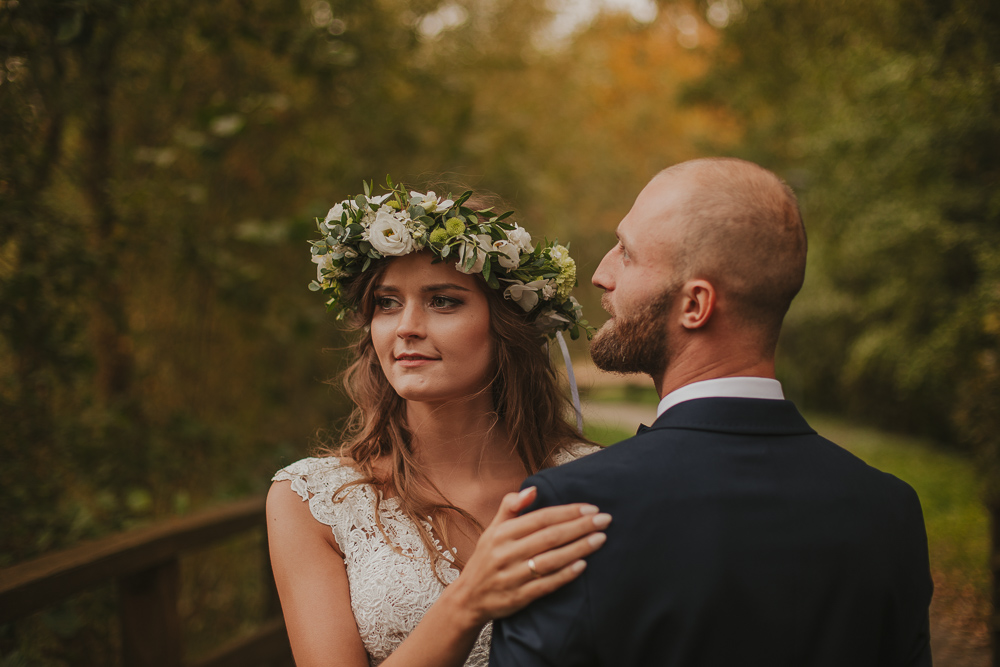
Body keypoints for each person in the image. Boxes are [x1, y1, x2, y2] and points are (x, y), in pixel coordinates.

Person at [490, 158, 934, 666]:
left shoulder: (570, 511)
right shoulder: (889, 511)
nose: (600, 274)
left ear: (695, 306)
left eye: (627, 255)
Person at [266, 182, 608, 667]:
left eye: (443, 301)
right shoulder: (313, 501)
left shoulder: (593, 480)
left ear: (505, 323)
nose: (406, 326)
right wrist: (469, 601)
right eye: (386, 303)